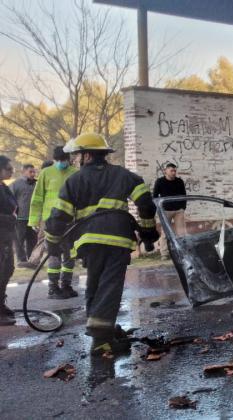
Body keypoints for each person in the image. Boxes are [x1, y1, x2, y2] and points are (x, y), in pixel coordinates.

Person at [45, 133, 159, 355]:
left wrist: (52, 243)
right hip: (118, 240)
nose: (77, 160)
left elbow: (59, 217)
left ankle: (100, 332)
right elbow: (146, 203)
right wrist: (147, 232)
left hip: (88, 242)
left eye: (78, 155)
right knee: (110, 286)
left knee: (95, 286)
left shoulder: (74, 181)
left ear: (87, 155)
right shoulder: (124, 176)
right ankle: (101, 340)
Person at [29, 147, 78, 299]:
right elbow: (37, 198)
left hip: (70, 221)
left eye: (64, 160)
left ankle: (66, 285)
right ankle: (53, 287)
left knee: (70, 255)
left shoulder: (75, 173)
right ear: (54, 159)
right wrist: (34, 220)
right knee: (53, 255)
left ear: (68, 159)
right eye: (58, 160)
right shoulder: (46, 173)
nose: (61, 163)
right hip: (49, 222)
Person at [152, 163, 187, 260]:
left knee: (181, 232)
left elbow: (184, 195)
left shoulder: (179, 181)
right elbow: (155, 196)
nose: (173, 173)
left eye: (175, 171)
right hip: (165, 211)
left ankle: (183, 252)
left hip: (178, 210)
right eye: (171, 171)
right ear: (165, 171)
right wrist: (159, 209)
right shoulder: (160, 182)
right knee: (165, 233)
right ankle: (164, 254)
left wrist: (183, 207)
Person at [0, 156, 18, 326]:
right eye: (8, 168)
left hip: (5, 237)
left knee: (7, 269)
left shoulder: (4, 187)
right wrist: (9, 219)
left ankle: (1, 304)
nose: (11, 171)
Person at [10, 164, 37, 267]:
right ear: (24, 172)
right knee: (19, 240)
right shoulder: (15, 184)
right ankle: (21, 260)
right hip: (20, 218)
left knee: (32, 239)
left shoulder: (36, 184)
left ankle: (31, 260)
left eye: (34, 172)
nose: (33, 174)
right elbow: (10, 200)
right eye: (31, 171)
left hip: (33, 218)